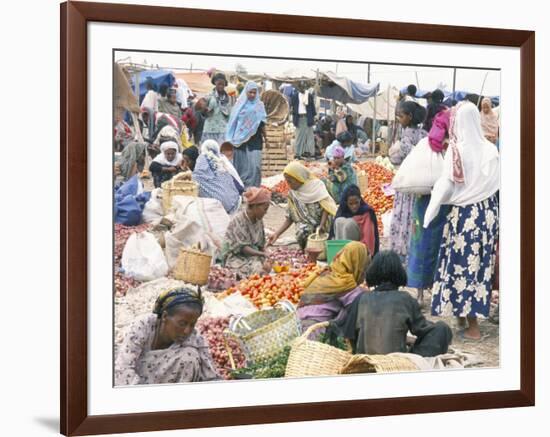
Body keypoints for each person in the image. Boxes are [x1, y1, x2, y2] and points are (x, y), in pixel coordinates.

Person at [425, 102, 499, 340]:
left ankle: (473, 328)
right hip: (487, 215)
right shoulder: (491, 150)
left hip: (464, 217)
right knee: (478, 267)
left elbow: (446, 184)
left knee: (460, 265)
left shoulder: (457, 151)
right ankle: (463, 317)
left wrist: (432, 208)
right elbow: (496, 184)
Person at [338, 251, 452, 357]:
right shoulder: (405, 299)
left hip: (366, 360)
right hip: (397, 361)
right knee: (442, 328)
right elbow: (423, 329)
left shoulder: (361, 299)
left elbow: (350, 335)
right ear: (399, 273)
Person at [115, 287, 219, 385]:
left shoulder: (195, 337)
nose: (187, 331)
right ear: (165, 316)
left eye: (192, 324)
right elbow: (123, 367)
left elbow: (210, 375)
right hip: (137, 385)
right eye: (182, 323)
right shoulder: (143, 326)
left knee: (190, 356)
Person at [407, 109, 452, 306]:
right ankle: (426, 291)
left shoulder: (427, 146)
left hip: (429, 204)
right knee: (432, 246)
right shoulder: (443, 148)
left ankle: (423, 292)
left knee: (424, 246)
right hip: (438, 204)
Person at [297, 241, 370, 330]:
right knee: (355, 307)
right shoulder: (345, 281)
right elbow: (360, 302)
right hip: (315, 328)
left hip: (300, 322)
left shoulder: (329, 271)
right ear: (357, 263)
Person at [388, 100, 428, 264]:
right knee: (416, 217)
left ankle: (403, 254)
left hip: (406, 184)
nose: (399, 118)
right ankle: (416, 252)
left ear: (409, 116)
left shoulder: (405, 137)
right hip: (421, 184)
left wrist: (393, 152)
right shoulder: (425, 135)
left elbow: (396, 160)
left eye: (401, 115)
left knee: (404, 216)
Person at [268, 162, 337, 249]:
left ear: (299, 178)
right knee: (303, 231)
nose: (288, 184)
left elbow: (326, 208)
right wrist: (276, 234)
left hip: (324, 223)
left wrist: (322, 225)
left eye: (290, 181)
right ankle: (307, 249)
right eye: (287, 181)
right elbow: (290, 218)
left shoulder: (317, 186)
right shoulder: (292, 194)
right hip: (308, 226)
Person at [220, 187, 273, 278]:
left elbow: (261, 245)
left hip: (252, 255)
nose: (266, 212)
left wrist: (267, 256)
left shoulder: (258, 220)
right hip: (236, 256)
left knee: (262, 267)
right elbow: (243, 248)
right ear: (255, 207)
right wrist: (263, 254)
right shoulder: (239, 220)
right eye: (264, 209)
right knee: (252, 270)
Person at [225, 81, 267, 188]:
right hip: (240, 140)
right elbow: (233, 122)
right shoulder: (239, 105)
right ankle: (241, 187)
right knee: (241, 165)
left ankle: (253, 187)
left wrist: (266, 138)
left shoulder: (259, 106)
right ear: (246, 92)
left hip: (255, 138)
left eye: (254, 92)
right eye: (250, 92)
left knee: (255, 165)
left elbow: (262, 123)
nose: (252, 95)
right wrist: (231, 138)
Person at [192, 139, 243, 214]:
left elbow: (197, 177)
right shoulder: (221, 161)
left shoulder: (201, 159)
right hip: (232, 202)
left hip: (215, 206)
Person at [329, 184, 379, 257]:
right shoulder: (343, 211)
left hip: (361, 252)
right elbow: (333, 235)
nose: (354, 206)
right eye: (351, 204)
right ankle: (340, 257)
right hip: (343, 252)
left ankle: (348, 258)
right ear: (346, 203)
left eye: (356, 203)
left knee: (349, 224)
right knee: (339, 221)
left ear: (360, 200)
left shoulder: (366, 213)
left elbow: (369, 240)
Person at [202, 72, 232, 145]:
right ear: (215, 83)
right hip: (210, 129)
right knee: (209, 152)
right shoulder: (209, 95)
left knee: (221, 153)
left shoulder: (229, 98)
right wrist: (205, 110)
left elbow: (230, 114)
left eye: (223, 84)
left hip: (223, 130)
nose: (221, 86)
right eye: (219, 84)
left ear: (225, 84)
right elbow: (201, 109)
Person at [290, 81, 316, 159]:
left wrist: (312, 117)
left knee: (309, 136)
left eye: (304, 87)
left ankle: (310, 153)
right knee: (299, 136)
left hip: (307, 118)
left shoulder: (309, 95)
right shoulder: (295, 96)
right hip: (299, 118)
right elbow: (292, 107)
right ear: (298, 88)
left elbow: (312, 108)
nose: (303, 88)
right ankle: (298, 153)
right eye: (301, 87)